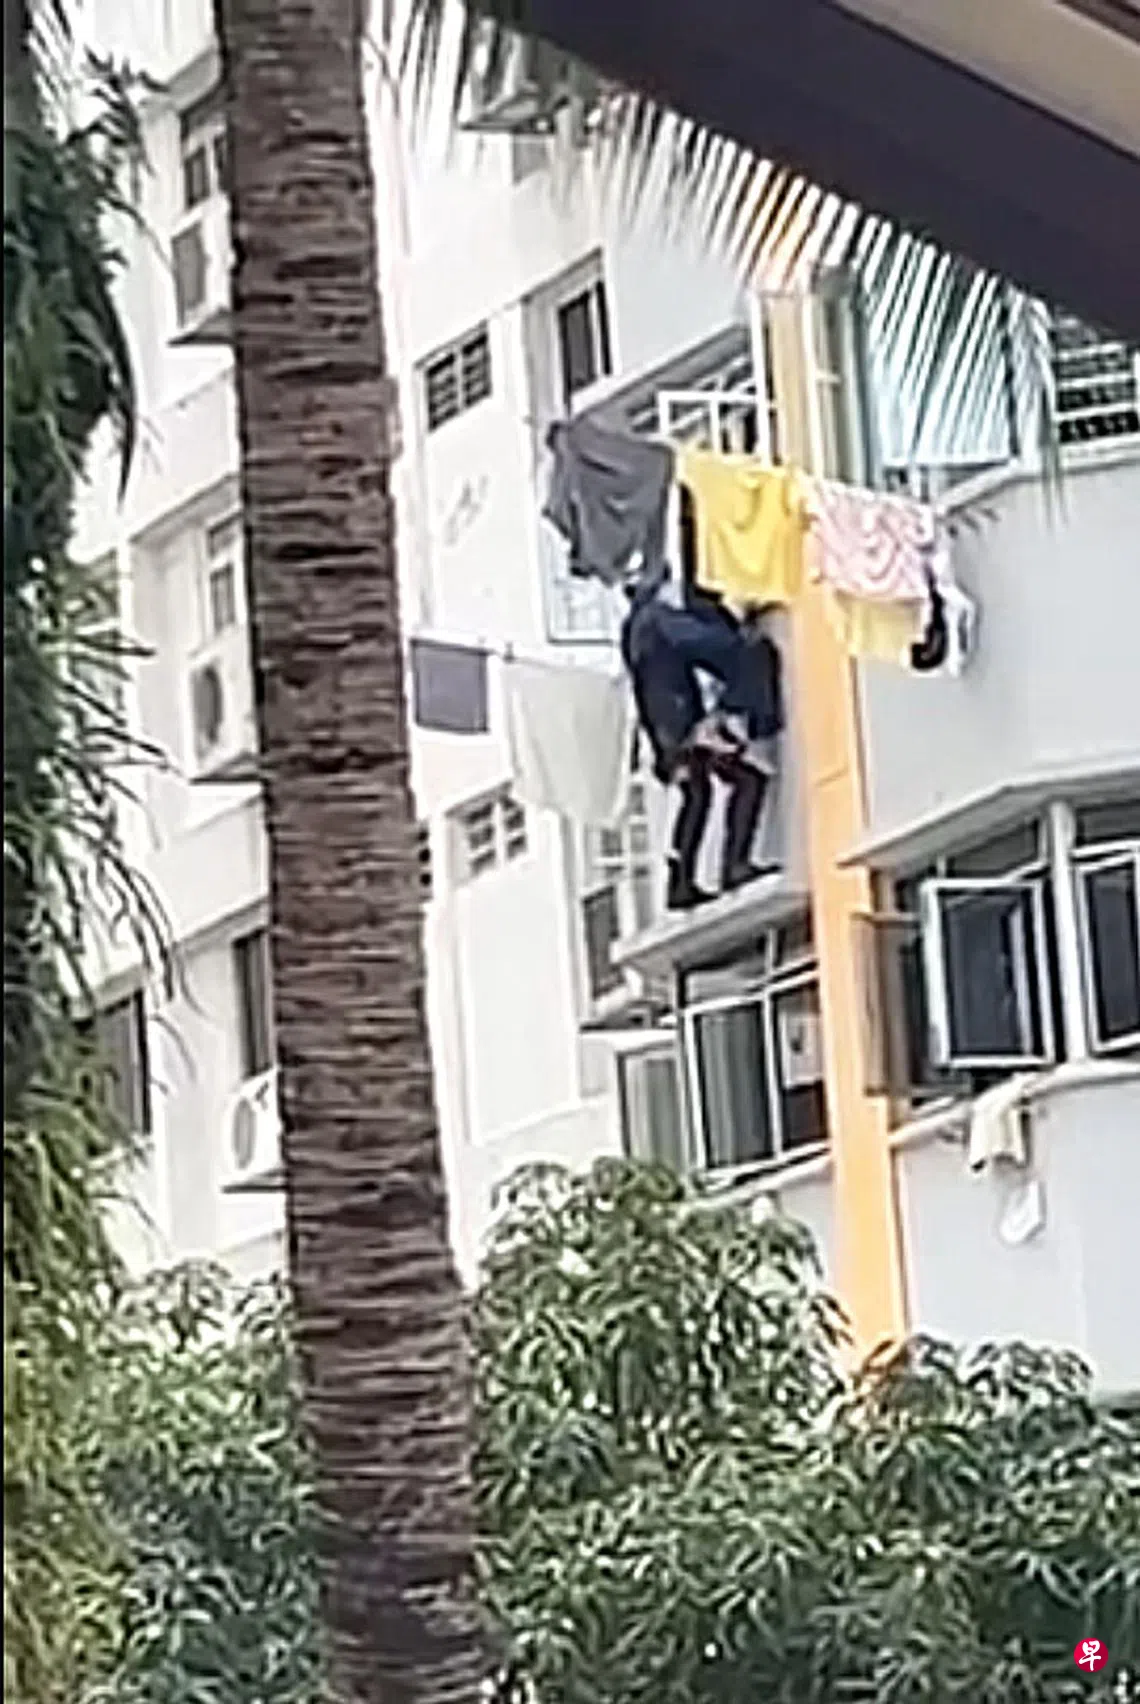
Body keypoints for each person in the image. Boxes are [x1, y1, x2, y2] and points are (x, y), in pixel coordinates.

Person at [620, 580, 783, 912]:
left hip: (667, 727)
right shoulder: (658, 619)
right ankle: (732, 866)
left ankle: (683, 880)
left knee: (698, 793)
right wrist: (739, 642)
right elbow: (704, 643)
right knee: (744, 780)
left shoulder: (636, 627)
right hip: (682, 723)